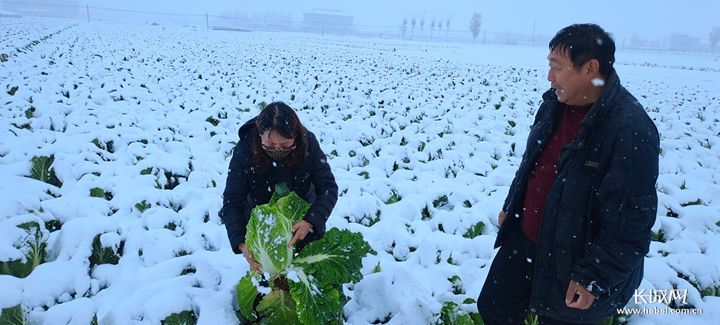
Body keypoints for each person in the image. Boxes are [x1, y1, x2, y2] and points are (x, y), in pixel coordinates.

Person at [477, 24, 660, 324]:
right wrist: (512, 207)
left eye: (557, 67)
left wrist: (594, 276)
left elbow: (631, 222)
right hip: (526, 240)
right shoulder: (554, 105)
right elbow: (533, 163)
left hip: (574, 259)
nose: (550, 77)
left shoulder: (628, 129)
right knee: (494, 307)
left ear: (590, 69)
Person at [220, 101, 338, 274]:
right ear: (259, 135)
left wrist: (311, 221)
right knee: (269, 281)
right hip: (263, 229)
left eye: (285, 146)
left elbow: (328, 188)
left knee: (307, 273)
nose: (277, 151)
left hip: (302, 222)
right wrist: (240, 241)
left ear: (296, 137)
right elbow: (232, 200)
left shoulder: (308, 143)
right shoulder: (245, 149)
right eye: (269, 146)